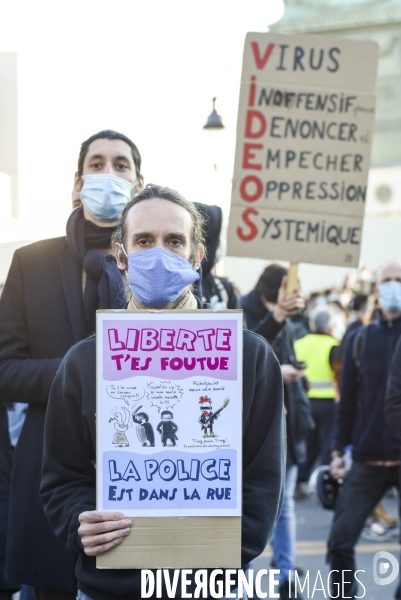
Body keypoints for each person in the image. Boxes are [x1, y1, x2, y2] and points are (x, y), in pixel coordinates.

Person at [40, 185, 286, 600]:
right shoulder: (85, 361)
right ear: (121, 256)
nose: (159, 254)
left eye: (174, 241)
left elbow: (262, 482)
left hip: (214, 586)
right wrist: (80, 520)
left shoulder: (250, 356)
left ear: (196, 257)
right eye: (143, 241)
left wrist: (223, 551)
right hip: (110, 588)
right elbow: (62, 478)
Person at [0, 130, 143, 600]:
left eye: (121, 165)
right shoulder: (30, 263)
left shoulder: (158, 264)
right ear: (78, 182)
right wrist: (79, 372)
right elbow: (6, 370)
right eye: (97, 164)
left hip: (140, 474)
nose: (108, 174)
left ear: (139, 184)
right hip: (50, 478)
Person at [327, 261, 401, 599]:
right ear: (376, 289)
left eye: (399, 280)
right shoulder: (359, 339)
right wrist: (337, 450)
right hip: (367, 459)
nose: (393, 286)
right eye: (388, 280)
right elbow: (347, 403)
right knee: (340, 540)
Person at [241, 264, 313, 600]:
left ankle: (286, 574)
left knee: (284, 507)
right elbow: (246, 355)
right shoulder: (243, 310)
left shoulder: (291, 319)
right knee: (250, 507)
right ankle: (249, 580)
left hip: (291, 421)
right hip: (255, 426)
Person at [294, 305, 339, 478]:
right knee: (327, 442)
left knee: (309, 443)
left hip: (305, 402)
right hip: (329, 402)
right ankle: (325, 476)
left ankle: (302, 478)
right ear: (329, 325)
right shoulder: (334, 345)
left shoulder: (299, 344)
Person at [195, 203, 238, 309]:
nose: (220, 245)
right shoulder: (176, 291)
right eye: (216, 240)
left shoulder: (224, 289)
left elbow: (240, 325)